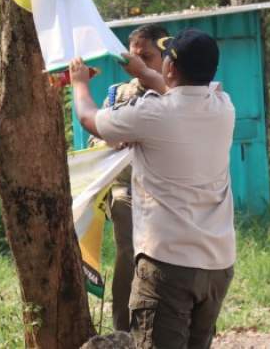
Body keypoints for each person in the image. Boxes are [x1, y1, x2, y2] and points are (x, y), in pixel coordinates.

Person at [70, 28, 235, 349]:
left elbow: (90, 119)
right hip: (217, 264)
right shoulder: (223, 107)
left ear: (170, 66)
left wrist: (79, 82)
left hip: (169, 265)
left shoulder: (152, 113)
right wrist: (145, 71)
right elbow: (180, 97)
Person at [96, 23, 168, 332]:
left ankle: (165, 325)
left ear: (165, 56)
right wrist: (108, 140)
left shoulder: (175, 95)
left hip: (166, 193)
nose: (137, 64)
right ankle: (122, 329)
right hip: (125, 188)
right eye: (132, 58)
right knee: (129, 252)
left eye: (147, 56)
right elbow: (95, 139)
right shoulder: (117, 96)